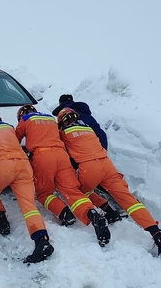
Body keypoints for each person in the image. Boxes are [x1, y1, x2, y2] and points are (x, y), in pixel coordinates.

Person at [57, 107, 161, 256]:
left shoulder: (63, 133)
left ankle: (97, 214)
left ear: (61, 122)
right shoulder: (88, 129)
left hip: (88, 167)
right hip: (107, 166)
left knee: (78, 191)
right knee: (129, 201)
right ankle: (158, 235)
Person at [15, 104, 110, 247]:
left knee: (44, 193)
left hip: (42, 156)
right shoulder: (51, 119)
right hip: (62, 155)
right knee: (72, 190)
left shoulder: (25, 119)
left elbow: (14, 141)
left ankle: (64, 213)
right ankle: (92, 215)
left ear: (21, 115)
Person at [0, 111, 54, 263]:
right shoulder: (9, 127)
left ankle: (1, 220)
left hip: (1, 165)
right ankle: (41, 240)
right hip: (23, 164)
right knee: (28, 205)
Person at [53, 94, 123, 224]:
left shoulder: (65, 117)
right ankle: (121, 202)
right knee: (104, 176)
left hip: (82, 144)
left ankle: (106, 207)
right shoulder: (82, 111)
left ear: (60, 104)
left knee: (85, 179)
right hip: (97, 141)